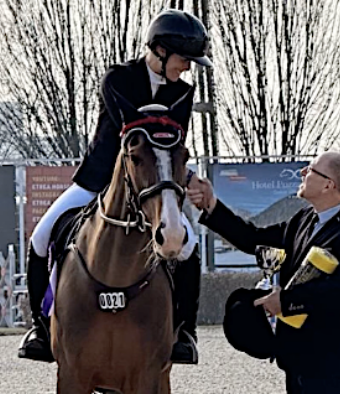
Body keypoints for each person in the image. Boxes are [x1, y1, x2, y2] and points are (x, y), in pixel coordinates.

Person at [24, 9, 212, 364]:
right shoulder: (118, 79)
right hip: (100, 178)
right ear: (158, 50)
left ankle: (185, 331)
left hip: (154, 185)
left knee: (189, 245)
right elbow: (132, 132)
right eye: (184, 59)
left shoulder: (184, 93)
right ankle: (40, 326)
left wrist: (185, 180)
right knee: (41, 235)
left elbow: (173, 146)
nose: (187, 67)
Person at [188, 151, 340, 394]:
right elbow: (253, 239)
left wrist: (286, 302)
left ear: (328, 185)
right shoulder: (304, 219)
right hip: (297, 360)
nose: (303, 173)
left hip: (335, 364)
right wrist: (211, 205)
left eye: (310, 169)